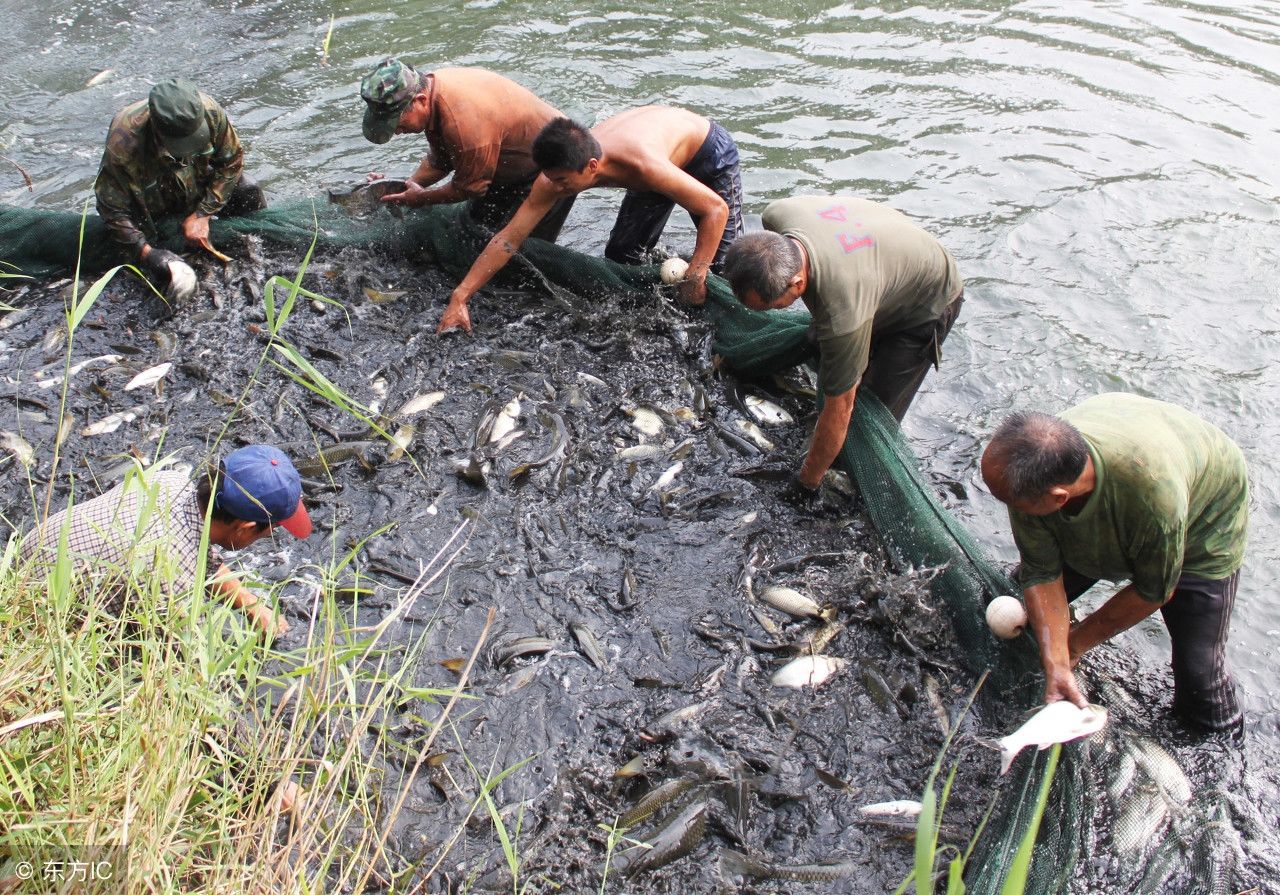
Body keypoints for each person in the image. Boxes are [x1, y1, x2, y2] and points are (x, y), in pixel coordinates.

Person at [980, 394, 1249, 735]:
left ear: (1059, 497)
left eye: (1009, 501)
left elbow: (1153, 591)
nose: (1006, 507)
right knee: (1029, 615)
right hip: (1130, 442)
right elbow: (1041, 571)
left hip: (1204, 513)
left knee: (1200, 674)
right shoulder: (1030, 470)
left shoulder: (1154, 498)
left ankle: (1220, 745)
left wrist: (1074, 644)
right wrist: (1057, 661)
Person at [722, 196, 963, 492]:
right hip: (877, 264)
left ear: (797, 283)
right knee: (827, 345)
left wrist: (807, 483)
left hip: (927, 299)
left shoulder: (843, 315)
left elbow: (841, 408)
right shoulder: (777, 215)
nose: (773, 312)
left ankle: (858, 480)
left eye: (773, 307)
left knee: (868, 412)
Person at [438, 107, 744, 333]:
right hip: (660, 163)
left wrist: (696, 275)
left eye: (562, 181)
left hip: (707, 153)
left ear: (592, 166)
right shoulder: (553, 178)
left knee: (727, 270)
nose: (554, 188)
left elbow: (715, 210)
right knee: (622, 258)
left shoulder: (641, 164)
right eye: (550, 178)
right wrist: (461, 295)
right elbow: (508, 238)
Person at [22, 444, 311, 639]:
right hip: (39, 623)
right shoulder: (172, 583)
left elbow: (201, 554)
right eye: (269, 530)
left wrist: (250, 603)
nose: (271, 535)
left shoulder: (171, 482)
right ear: (244, 527)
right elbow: (181, 668)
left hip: (25, 569)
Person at [358, 58, 575, 240]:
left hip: (556, 168)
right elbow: (440, 161)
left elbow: (470, 188)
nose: (395, 131)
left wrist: (421, 198)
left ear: (420, 101)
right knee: (478, 233)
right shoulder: (430, 89)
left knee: (519, 252)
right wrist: (405, 187)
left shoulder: (463, 123)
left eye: (396, 121)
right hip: (505, 163)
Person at [94, 78, 266, 296]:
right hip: (152, 202)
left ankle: (261, 248)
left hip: (196, 188)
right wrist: (147, 253)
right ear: (158, 131)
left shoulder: (210, 112)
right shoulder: (124, 140)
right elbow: (112, 208)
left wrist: (203, 213)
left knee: (248, 188)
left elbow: (232, 163)